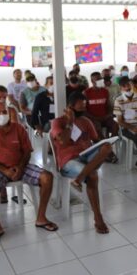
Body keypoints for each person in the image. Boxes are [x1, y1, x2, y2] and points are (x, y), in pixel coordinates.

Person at [0, 102, 57, 245]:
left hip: (21, 166)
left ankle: (41, 218)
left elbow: (27, 151)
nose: (2, 115)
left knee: (47, 177)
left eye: (4, 112)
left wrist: (20, 168)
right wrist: (5, 170)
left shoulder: (18, 128)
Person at [51, 92, 110, 234]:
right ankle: (98, 217)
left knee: (107, 147)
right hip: (68, 160)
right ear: (70, 107)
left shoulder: (85, 121)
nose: (83, 110)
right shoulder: (58, 122)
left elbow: (95, 140)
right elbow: (63, 141)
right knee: (93, 175)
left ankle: (79, 178)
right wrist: (70, 123)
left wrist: (104, 143)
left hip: (86, 156)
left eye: (85, 106)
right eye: (80, 107)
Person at [114, 77, 137, 173]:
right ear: (121, 88)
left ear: (132, 85)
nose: (127, 88)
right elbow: (120, 121)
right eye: (124, 86)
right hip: (126, 127)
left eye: (129, 84)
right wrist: (133, 128)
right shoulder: (119, 100)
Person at [84, 72, 119, 163]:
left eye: (101, 79)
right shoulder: (87, 92)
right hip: (93, 118)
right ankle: (109, 153)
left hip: (105, 117)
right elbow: (84, 110)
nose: (100, 81)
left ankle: (107, 145)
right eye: (97, 79)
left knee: (115, 125)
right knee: (97, 130)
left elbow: (108, 106)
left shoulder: (105, 91)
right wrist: (94, 118)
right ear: (92, 81)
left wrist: (108, 114)